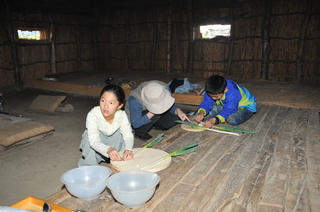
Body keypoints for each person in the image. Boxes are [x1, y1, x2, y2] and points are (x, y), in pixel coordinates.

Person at [78, 84, 134, 167]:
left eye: (111, 103)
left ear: (119, 106)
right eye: (103, 100)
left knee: (123, 133)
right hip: (99, 148)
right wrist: (108, 149)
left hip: (116, 149)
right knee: (88, 137)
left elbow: (128, 135)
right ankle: (90, 166)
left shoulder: (122, 115)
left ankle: (121, 161)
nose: (105, 106)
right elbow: (94, 141)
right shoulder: (93, 115)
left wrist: (128, 150)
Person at [125, 80, 190, 141]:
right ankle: (140, 133)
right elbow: (135, 123)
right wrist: (152, 112)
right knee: (155, 115)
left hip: (155, 115)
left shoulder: (163, 89)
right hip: (138, 117)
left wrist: (178, 110)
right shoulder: (135, 99)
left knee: (174, 120)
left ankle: (154, 125)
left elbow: (169, 105)